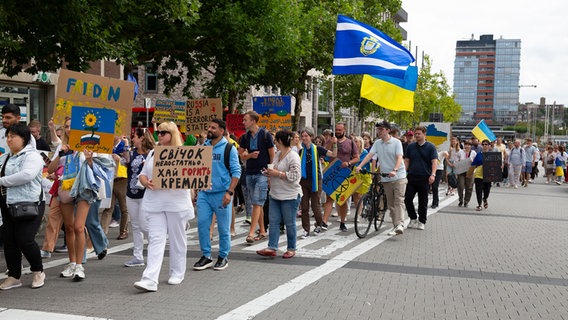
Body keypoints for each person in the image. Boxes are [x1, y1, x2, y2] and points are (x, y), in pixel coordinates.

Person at [134, 122, 194, 292]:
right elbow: (143, 174)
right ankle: (150, 279)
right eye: (157, 132)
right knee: (155, 239)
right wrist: (146, 182)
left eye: (163, 132)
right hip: (155, 202)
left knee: (177, 239)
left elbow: (192, 176)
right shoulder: (153, 152)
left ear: (172, 134)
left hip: (176, 203)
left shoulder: (184, 153)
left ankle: (177, 272)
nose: (159, 135)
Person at [53, 117, 115, 281]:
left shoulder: (90, 144)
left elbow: (105, 169)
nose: (68, 129)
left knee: (80, 226)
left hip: (84, 189)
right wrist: (60, 154)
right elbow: (51, 168)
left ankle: (80, 265)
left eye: (72, 126)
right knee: (69, 227)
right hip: (66, 188)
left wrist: (89, 159)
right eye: (66, 126)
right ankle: (72, 263)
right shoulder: (63, 146)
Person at [0, 124, 45, 290]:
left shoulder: (32, 156)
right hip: (7, 203)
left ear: (24, 138)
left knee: (25, 239)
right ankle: (14, 276)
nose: (9, 139)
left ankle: (38, 271)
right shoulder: (5, 157)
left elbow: (27, 175)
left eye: (13, 136)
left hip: (30, 203)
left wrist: (2, 181)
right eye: (8, 136)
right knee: (9, 241)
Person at [194, 119, 241, 271]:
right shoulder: (203, 147)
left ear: (222, 131)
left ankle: (223, 256)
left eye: (213, 128)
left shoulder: (229, 148)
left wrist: (230, 192)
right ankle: (206, 255)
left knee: (223, 228)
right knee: (202, 225)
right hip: (204, 193)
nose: (209, 129)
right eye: (209, 127)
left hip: (222, 194)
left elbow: (236, 172)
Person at [356, 120, 407, 236]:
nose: (379, 131)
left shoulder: (396, 143)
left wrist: (395, 169)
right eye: (378, 129)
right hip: (385, 177)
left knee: (399, 200)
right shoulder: (378, 143)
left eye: (381, 129)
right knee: (391, 204)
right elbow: (370, 155)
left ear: (388, 130)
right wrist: (359, 165)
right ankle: (396, 225)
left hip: (398, 176)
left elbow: (400, 157)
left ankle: (400, 224)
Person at [256, 130, 302, 259]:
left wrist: (278, 174)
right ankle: (272, 247)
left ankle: (291, 248)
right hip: (275, 193)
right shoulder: (277, 155)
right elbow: (274, 168)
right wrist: (268, 172)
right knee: (274, 221)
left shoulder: (293, 156)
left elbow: (296, 176)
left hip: (290, 195)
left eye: (276, 140)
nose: (274, 142)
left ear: (280, 141)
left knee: (289, 222)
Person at [238, 111, 274, 244]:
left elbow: (272, 154)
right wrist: (249, 156)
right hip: (249, 172)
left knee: (257, 203)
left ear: (253, 121)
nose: (243, 122)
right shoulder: (245, 137)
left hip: (262, 173)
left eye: (245, 119)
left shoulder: (265, 135)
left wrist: (270, 172)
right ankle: (263, 230)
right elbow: (240, 154)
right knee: (257, 203)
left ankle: (251, 233)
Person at [123, 128, 155, 267]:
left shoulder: (151, 154)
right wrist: (123, 146)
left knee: (144, 225)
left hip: (145, 195)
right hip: (131, 193)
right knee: (135, 226)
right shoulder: (132, 153)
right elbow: (125, 160)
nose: (133, 139)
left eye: (134, 137)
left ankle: (155, 249)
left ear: (142, 138)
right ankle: (138, 256)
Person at [297, 127, 336, 237]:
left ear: (311, 137)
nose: (303, 138)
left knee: (315, 205)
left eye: (306, 136)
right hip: (303, 181)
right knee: (304, 207)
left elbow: (333, 155)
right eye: (302, 136)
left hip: (315, 180)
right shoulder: (301, 151)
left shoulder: (317, 149)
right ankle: (306, 229)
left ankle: (319, 224)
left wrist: (335, 144)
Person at [322, 123, 359, 232]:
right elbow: (324, 153)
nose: (337, 131)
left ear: (344, 130)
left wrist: (348, 163)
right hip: (332, 172)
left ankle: (342, 222)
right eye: (336, 129)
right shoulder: (330, 141)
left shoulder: (351, 143)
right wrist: (332, 144)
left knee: (342, 200)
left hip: (344, 173)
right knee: (329, 198)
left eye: (339, 130)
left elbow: (356, 158)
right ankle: (324, 222)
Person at [404, 126, 437, 231]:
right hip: (412, 176)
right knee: (407, 199)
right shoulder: (411, 147)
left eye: (419, 134)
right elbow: (407, 160)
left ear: (424, 134)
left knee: (423, 201)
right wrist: (403, 172)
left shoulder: (431, 147)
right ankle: (413, 218)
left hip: (424, 177)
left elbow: (434, 161)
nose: (417, 136)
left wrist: (433, 174)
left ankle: (422, 221)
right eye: (416, 134)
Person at [100, 136, 130, 239]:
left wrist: (120, 158)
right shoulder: (105, 145)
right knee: (108, 206)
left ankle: (124, 231)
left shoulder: (124, 145)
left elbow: (128, 160)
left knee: (123, 207)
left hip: (121, 179)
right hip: (109, 179)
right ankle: (102, 232)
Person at [470, 139, 493, 211]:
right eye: (483, 144)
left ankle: (485, 198)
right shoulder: (479, 154)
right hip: (479, 173)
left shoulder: (492, 155)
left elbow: (496, 164)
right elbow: (473, 164)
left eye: (486, 144)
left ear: (489, 146)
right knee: (478, 189)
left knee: (487, 189)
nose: (484, 146)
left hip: (488, 174)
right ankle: (479, 204)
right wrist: (470, 173)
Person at [459, 140, 477, 207]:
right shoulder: (460, 152)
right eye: (466, 144)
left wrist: (472, 162)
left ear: (471, 146)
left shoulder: (473, 153)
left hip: (470, 171)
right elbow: (456, 161)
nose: (467, 146)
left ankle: (466, 201)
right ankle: (460, 199)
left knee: (469, 187)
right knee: (460, 186)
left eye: (469, 145)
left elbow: (476, 162)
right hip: (461, 171)